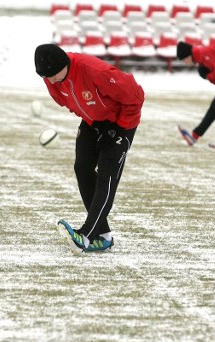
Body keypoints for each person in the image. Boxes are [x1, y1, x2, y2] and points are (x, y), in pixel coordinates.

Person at [34, 44, 144, 253]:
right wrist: (95, 122)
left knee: (106, 173)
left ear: (64, 64)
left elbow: (135, 96)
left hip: (122, 124)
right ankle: (103, 236)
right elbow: (71, 102)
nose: (51, 81)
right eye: (46, 77)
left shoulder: (95, 71)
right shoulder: (51, 78)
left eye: (54, 75)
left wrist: (118, 128)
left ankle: (85, 236)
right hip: (94, 122)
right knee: (82, 168)